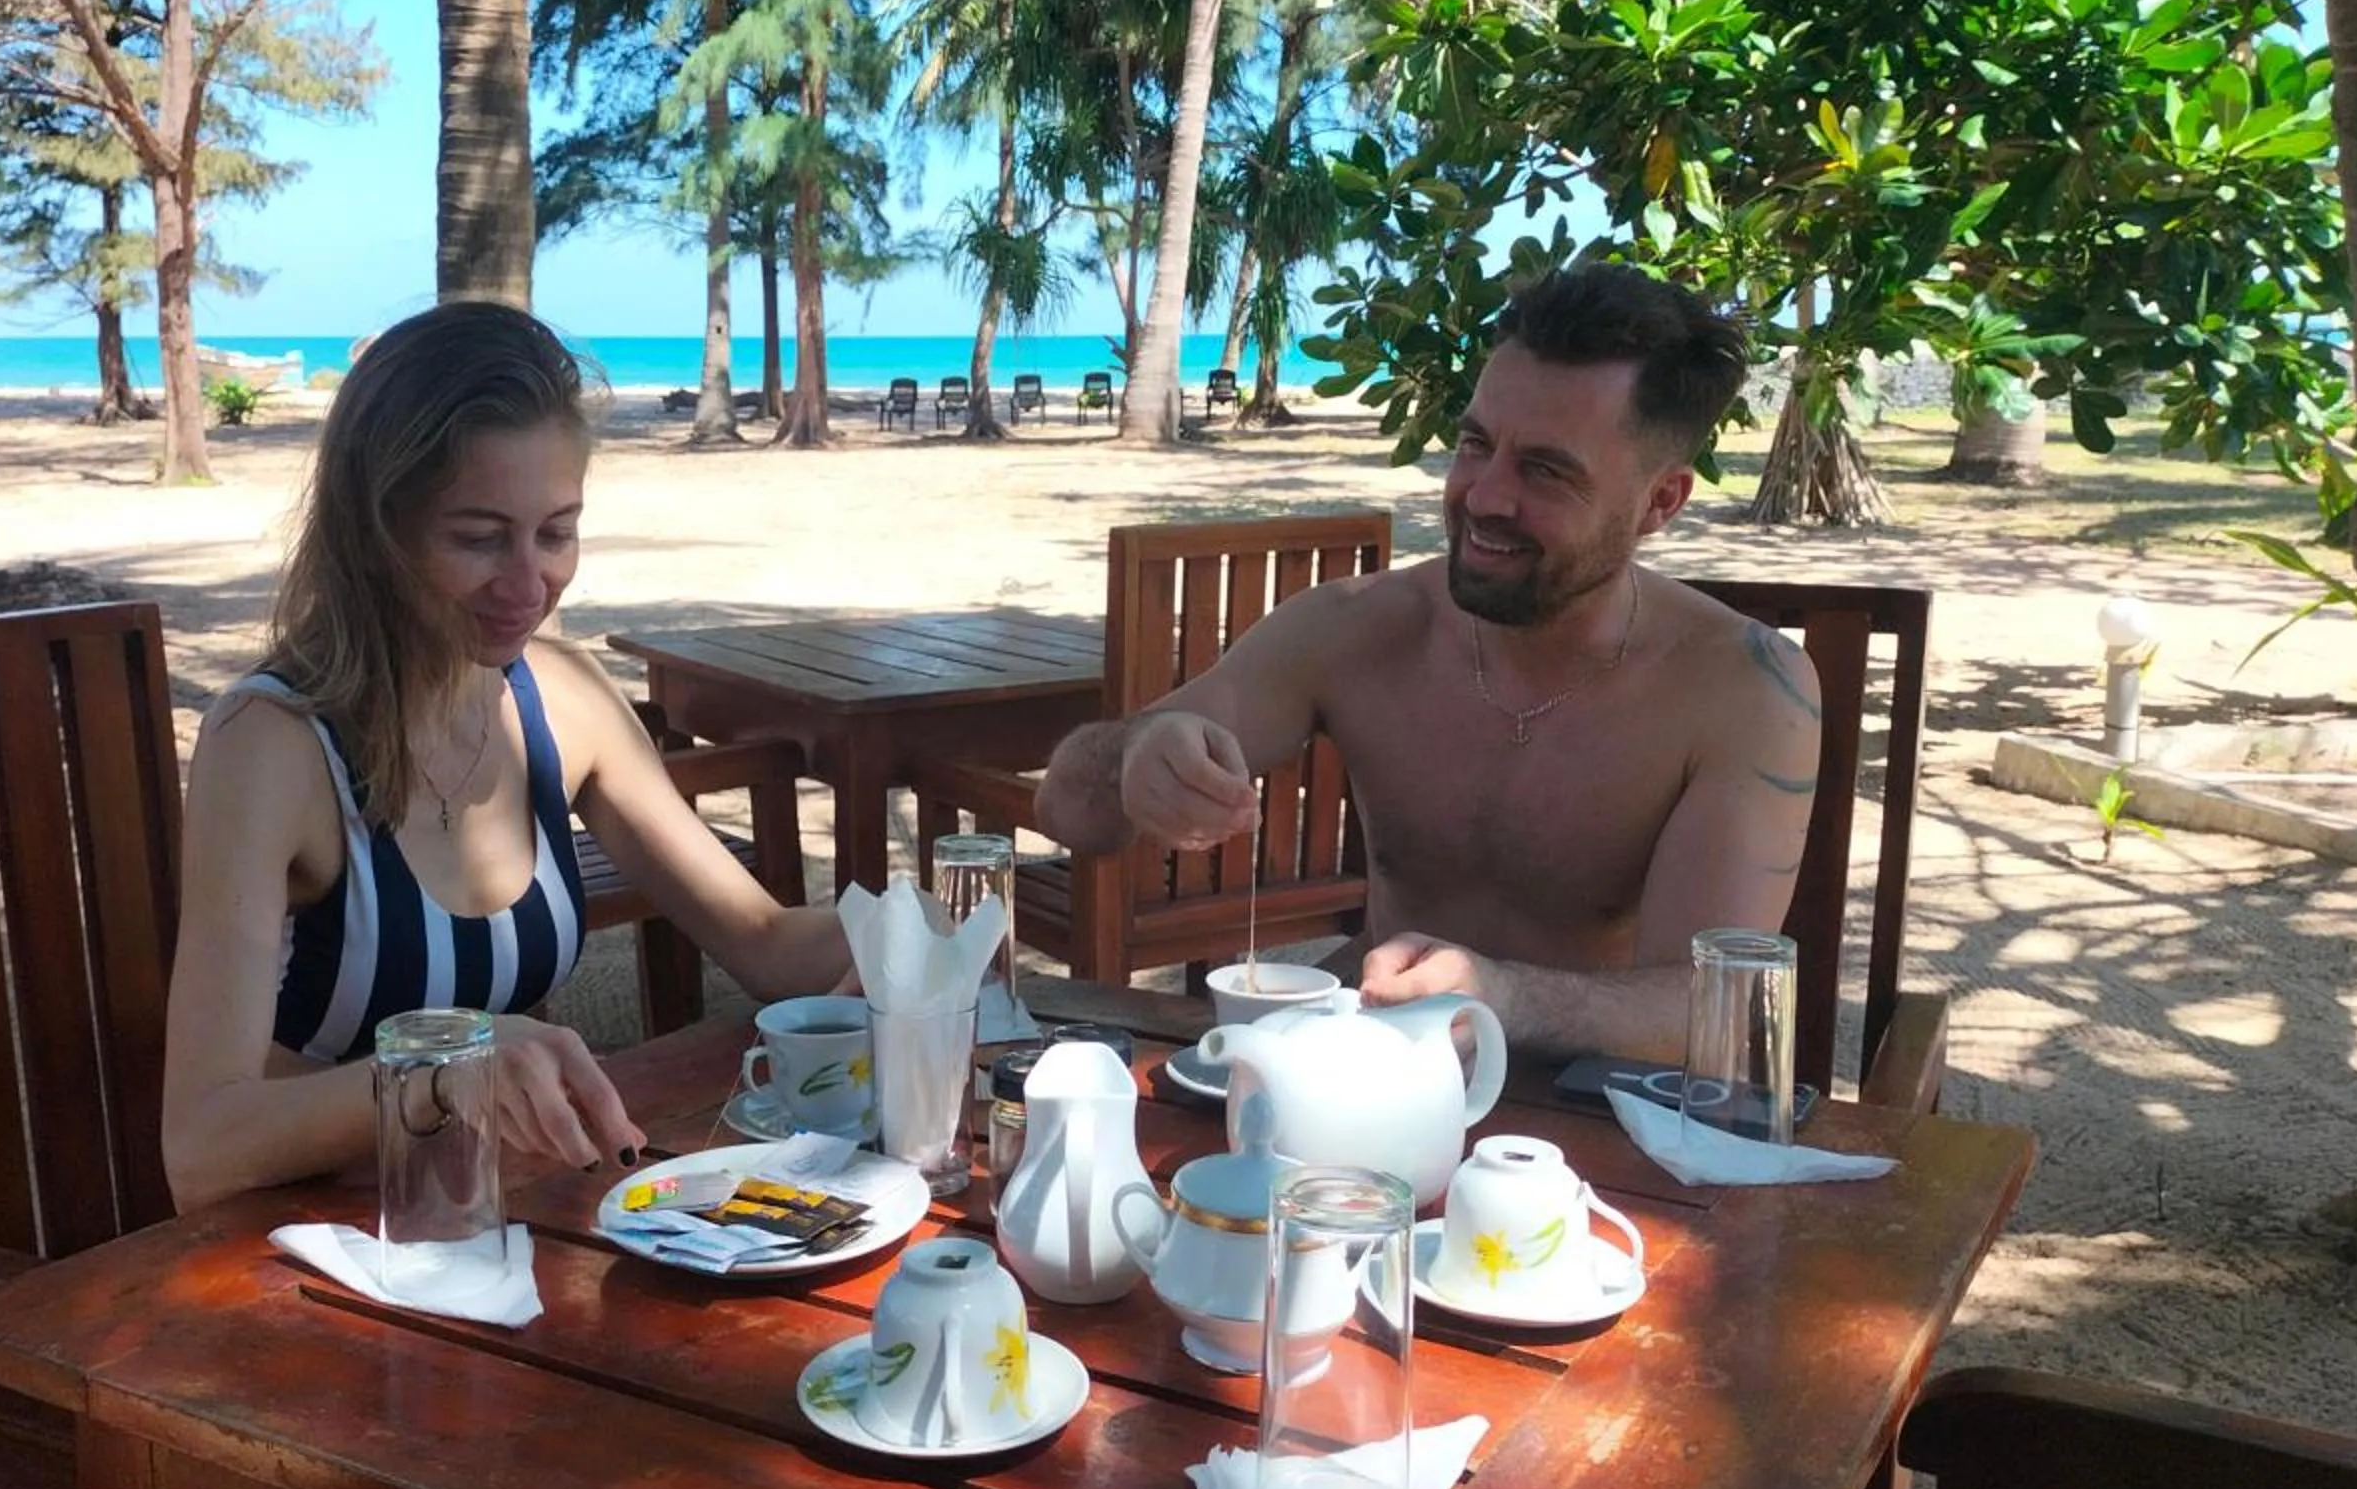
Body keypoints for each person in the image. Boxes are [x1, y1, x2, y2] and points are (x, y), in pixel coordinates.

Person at [1032, 262, 1821, 1064]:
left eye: (1546, 471)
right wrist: (1134, 758)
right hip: (1368, 1090)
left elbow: (1716, 1007)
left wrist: (1504, 998)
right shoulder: (1353, 629)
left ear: (1661, 503)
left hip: (1588, 1115)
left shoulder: (1739, 688)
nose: (1483, 497)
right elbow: (1068, 810)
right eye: (1476, 445)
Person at [163, 303, 851, 1210]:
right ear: (376, 533)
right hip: (316, 1250)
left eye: (555, 532)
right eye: (479, 538)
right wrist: (445, 1072)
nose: (528, 585)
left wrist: (934, 926)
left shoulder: (562, 700)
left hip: (502, 1222)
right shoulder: (276, 746)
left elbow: (764, 946)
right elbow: (202, 1147)